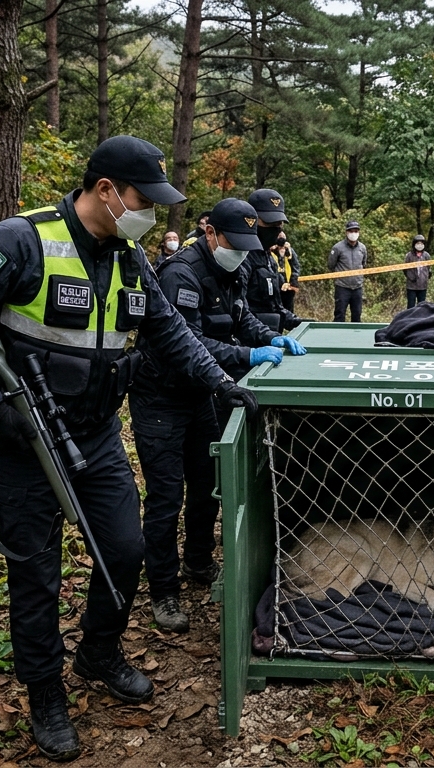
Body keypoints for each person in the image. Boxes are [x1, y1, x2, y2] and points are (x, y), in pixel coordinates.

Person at [0, 135, 257, 762]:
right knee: (35, 573)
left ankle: (99, 651)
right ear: (105, 190)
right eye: (142, 199)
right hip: (24, 437)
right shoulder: (20, 240)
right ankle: (45, 690)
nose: (150, 214)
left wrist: (222, 382)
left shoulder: (128, 255)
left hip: (98, 433)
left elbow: (169, 331)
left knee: (126, 547)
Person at [130, 197, 307, 634]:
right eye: (235, 241)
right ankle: (163, 590)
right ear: (210, 232)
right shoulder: (180, 274)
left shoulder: (238, 264)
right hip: (162, 397)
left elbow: (241, 318)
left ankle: (197, 560)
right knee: (167, 495)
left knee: (208, 483)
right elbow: (184, 344)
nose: (243, 250)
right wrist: (246, 355)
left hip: (203, 392)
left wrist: (272, 339)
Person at [244, 189, 304, 334]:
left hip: (268, 337)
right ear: (251, 220)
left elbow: (274, 305)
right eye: (270, 223)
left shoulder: (268, 257)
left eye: (279, 224)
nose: (275, 230)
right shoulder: (240, 257)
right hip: (247, 342)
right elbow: (240, 313)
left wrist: (297, 322)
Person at [328, 220, 366, 322]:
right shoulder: (337, 248)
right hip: (342, 287)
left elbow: (364, 264)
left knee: (357, 315)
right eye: (351, 231)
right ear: (346, 232)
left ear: (359, 232)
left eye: (356, 231)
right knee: (339, 315)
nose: (353, 233)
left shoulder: (362, 248)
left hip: (357, 287)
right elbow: (331, 265)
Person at [274, 234, 300, 313]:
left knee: (289, 311)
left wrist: (292, 283)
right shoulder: (271, 251)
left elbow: (296, 267)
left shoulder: (290, 251)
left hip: (288, 287)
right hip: (276, 287)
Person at [404, 234, 431, 308]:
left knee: (422, 306)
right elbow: (405, 269)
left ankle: (420, 319)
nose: (420, 245)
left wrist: (425, 278)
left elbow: (429, 268)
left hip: (423, 286)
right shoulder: (409, 255)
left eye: (421, 243)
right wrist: (411, 277)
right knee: (410, 306)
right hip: (411, 286)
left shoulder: (426, 255)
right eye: (418, 243)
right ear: (414, 244)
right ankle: (410, 319)